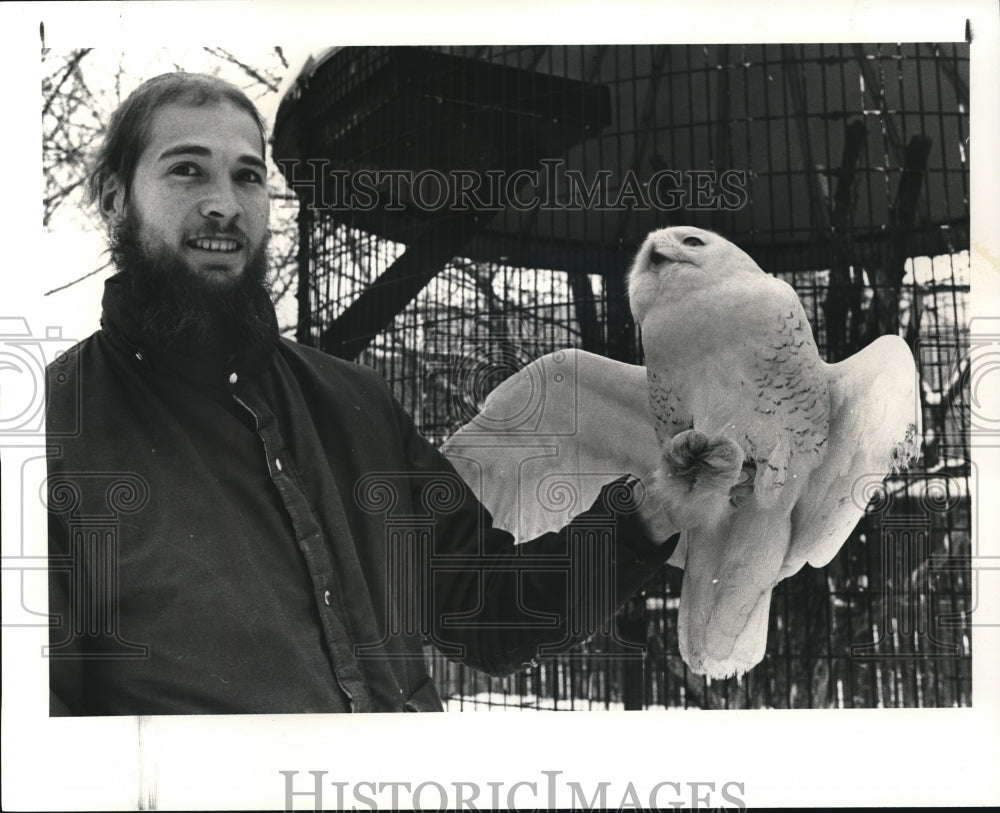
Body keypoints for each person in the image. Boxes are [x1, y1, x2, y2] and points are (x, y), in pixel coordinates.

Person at [46, 72, 683, 716]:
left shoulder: (356, 403)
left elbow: (488, 609)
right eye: (187, 170)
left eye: (246, 175)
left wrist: (640, 520)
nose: (225, 204)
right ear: (112, 197)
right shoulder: (52, 434)